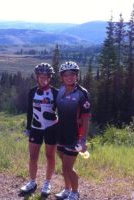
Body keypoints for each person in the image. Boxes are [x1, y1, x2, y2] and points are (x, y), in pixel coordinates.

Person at [20, 63, 58, 197]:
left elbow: (60, 111)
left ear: (50, 77)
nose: (43, 79)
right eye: (41, 77)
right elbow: (30, 111)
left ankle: (47, 183)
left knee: (50, 156)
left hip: (51, 128)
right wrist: (28, 128)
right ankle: (32, 182)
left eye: (46, 76)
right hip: (36, 128)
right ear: (37, 77)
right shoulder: (32, 92)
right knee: (33, 157)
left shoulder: (55, 92)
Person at [55, 61, 91, 200]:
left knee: (68, 167)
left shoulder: (82, 94)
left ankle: (75, 192)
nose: (69, 77)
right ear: (62, 77)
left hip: (74, 135)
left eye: (72, 74)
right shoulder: (61, 90)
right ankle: (67, 189)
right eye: (66, 75)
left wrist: (83, 140)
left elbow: (86, 118)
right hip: (61, 133)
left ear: (77, 76)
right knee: (64, 166)